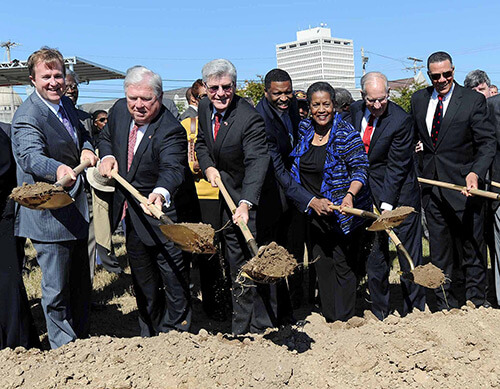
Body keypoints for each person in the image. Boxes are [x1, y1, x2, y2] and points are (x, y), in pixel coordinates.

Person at [98, 65, 199, 336]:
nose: (138, 106)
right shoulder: (119, 110)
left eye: (146, 99)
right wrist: (106, 155)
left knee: (174, 277)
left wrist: (161, 192)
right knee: (143, 278)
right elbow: (107, 137)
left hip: (164, 215)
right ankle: (149, 331)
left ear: (160, 96)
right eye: (134, 99)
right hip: (131, 213)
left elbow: (173, 168)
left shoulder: (170, 129)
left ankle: (177, 333)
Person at [11, 47, 98, 349]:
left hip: (74, 207)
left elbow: (82, 133)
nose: (53, 82)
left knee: (78, 283)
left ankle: (81, 339)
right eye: (46, 76)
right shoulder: (28, 114)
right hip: (48, 212)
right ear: (33, 79)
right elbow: (29, 156)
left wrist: (87, 148)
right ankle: (63, 348)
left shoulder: (67, 107)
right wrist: (58, 167)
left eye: (58, 75)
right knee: (56, 287)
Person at [195, 59, 277, 334]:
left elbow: (257, 161)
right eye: (214, 87)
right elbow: (202, 142)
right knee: (235, 260)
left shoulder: (249, 118)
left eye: (226, 87)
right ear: (205, 87)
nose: (220, 93)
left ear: (235, 86)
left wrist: (245, 203)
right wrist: (207, 166)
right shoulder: (205, 107)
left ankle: (262, 325)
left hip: (251, 199)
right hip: (226, 195)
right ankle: (242, 324)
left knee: (255, 260)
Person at [411, 51, 496, 310]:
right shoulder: (418, 100)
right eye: (436, 76)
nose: (442, 80)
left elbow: (487, 143)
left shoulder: (471, 100)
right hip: (433, 188)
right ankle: (444, 301)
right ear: (429, 76)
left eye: (447, 74)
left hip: (464, 187)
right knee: (439, 250)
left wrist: (476, 172)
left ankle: (476, 301)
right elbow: (418, 138)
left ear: (454, 71)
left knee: (472, 246)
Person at [289, 81, 372, 322]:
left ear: (334, 106)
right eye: (316, 105)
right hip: (314, 210)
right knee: (322, 264)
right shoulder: (304, 130)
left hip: (342, 212)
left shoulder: (346, 134)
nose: (321, 110)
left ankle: (345, 318)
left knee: (342, 264)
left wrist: (349, 195)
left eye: (326, 104)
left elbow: (360, 168)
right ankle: (330, 317)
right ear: (310, 107)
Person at [348, 72, 425, 319]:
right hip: (367, 192)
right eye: (372, 101)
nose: (378, 105)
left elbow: (397, 167)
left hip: (399, 195)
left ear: (388, 94)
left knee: (408, 255)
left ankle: (415, 309)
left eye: (383, 99)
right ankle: (379, 310)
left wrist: (386, 207)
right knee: (376, 254)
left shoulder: (401, 120)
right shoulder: (354, 111)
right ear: (362, 96)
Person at [255, 69, 326, 312]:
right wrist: (309, 200)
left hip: (296, 193)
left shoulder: (294, 107)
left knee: (295, 250)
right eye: (277, 94)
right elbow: (279, 172)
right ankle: (277, 308)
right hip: (274, 195)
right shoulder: (261, 121)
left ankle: (296, 303)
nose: (284, 98)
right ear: (266, 93)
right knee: (277, 251)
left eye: (288, 92)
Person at [180, 82, 229, 320]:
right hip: (201, 197)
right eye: (202, 97)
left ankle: (231, 299)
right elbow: (182, 163)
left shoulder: (225, 124)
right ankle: (213, 305)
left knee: (229, 253)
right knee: (207, 253)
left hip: (227, 196)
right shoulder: (186, 126)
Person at [0, 122, 40, 350]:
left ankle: (15, 344)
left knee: (6, 284)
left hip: (3, 219)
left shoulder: (3, 134)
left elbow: (4, 170)